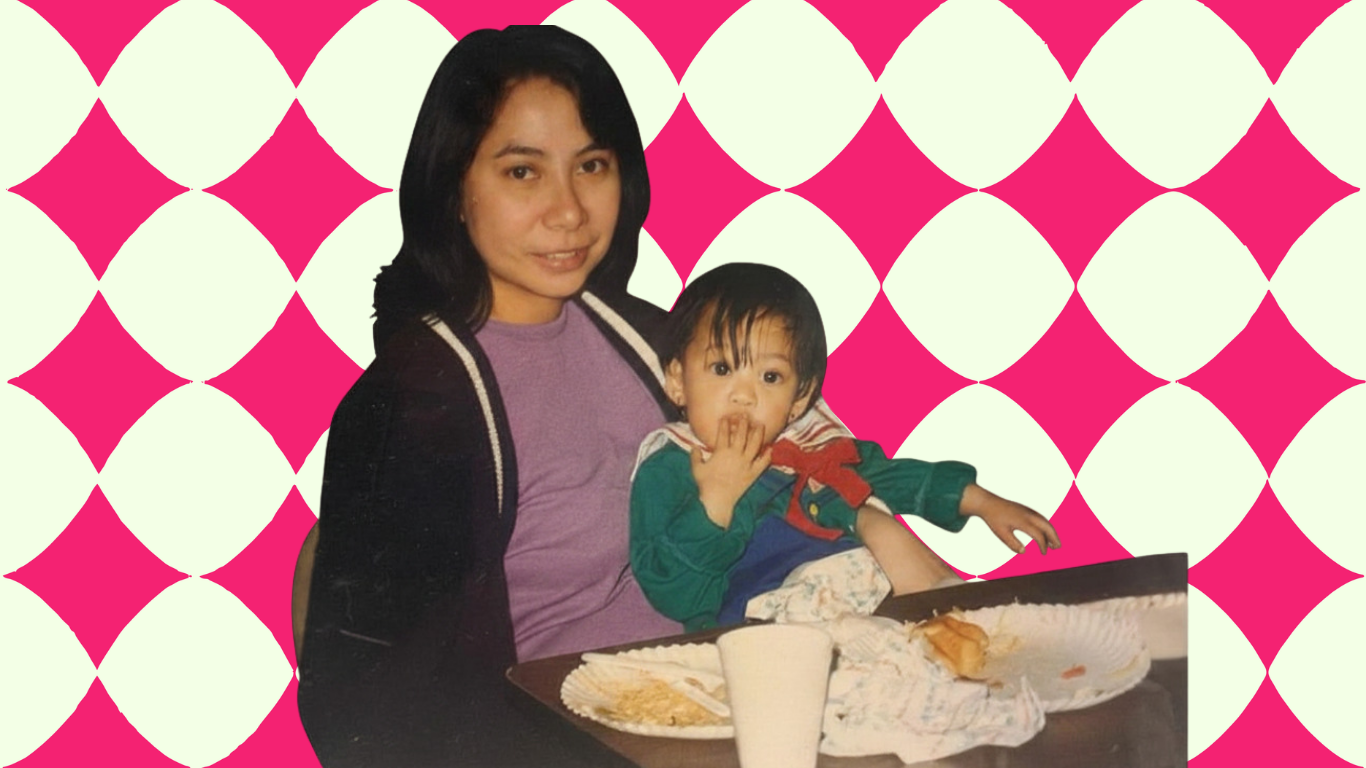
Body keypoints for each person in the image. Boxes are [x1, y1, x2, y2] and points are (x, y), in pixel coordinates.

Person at [297, 26, 680, 768]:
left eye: (591, 165)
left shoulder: (655, 341)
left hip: (715, 706)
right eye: (522, 173)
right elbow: (366, 699)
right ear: (454, 191)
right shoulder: (411, 406)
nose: (568, 211)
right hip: (552, 739)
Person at [629, 263, 1061, 631]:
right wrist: (716, 499)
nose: (744, 395)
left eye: (771, 377)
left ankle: (965, 626)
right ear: (677, 381)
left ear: (800, 398)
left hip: (870, 615)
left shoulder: (811, 445)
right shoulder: (669, 465)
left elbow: (896, 477)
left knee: (938, 608)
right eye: (722, 368)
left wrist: (983, 502)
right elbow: (674, 594)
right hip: (761, 640)